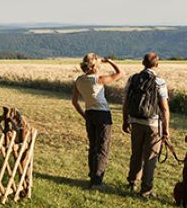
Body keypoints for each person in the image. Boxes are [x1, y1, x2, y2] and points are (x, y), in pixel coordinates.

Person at [122, 51, 170, 199]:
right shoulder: (159, 82)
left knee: (136, 153)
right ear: (157, 64)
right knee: (150, 157)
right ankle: (146, 190)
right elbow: (164, 108)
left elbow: (125, 102)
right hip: (153, 124)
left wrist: (125, 120)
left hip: (135, 121)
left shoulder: (133, 79)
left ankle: (132, 182)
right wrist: (166, 130)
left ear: (143, 63)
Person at [72, 53, 123, 188]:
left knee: (93, 146)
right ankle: (97, 181)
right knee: (102, 148)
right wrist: (110, 61)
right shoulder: (98, 80)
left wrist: (84, 115)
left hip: (90, 113)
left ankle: (92, 174)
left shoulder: (79, 80)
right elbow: (120, 73)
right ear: (95, 66)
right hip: (103, 115)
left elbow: (75, 102)